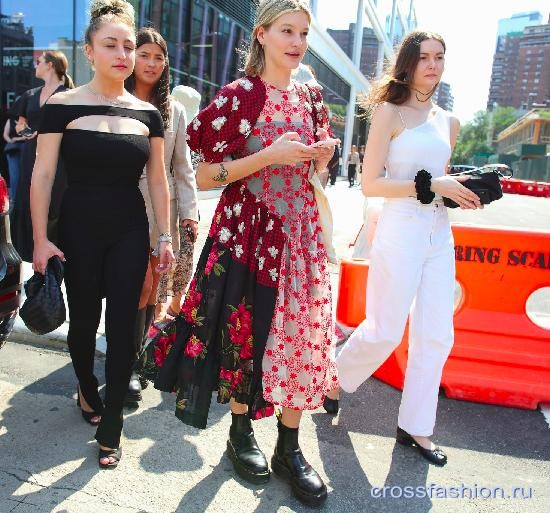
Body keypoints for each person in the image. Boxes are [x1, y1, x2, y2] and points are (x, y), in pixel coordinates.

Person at [154, 0, 339, 505]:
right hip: (248, 233)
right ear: (261, 34)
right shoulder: (242, 96)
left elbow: (315, 174)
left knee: (301, 338)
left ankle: (290, 447)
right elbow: (207, 173)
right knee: (245, 332)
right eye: (287, 30)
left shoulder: (313, 97)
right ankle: (240, 433)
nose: (297, 41)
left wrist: (318, 159)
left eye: (303, 32)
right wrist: (268, 156)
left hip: (299, 237)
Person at [324, 31, 481, 466]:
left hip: (438, 234)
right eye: (424, 57)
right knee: (385, 329)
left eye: (439, 57)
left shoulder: (449, 121)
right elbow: (372, 183)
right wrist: (433, 186)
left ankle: (417, 426)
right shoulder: (390, 112)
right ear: (409, 63)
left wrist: (464, 192)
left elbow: (439, 185)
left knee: (436, 334)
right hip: (399, 230)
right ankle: (333, 378)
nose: (432, 65)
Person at [30, 0, 174, 469]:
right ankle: (88, 393)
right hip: (78, 230)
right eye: (110, 44)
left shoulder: (147, 113)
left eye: (129, 46)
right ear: (89, 51)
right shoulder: (61, 106)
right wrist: (38, 239)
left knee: (122, 328)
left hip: (130, 228)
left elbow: (157, 180)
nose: (122, 54)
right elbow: (43, 175)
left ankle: (112, 422)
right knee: (85, 323)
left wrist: (165, 238)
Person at [123, 27, 198, 404]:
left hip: (161, 210)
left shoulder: (175, 109)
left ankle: (133, 362)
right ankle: (124, 358)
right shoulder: (115, 99)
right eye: (144, 54)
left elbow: (183, 168)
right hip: (120, 205)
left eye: (158, 56)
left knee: (152, 288)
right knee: (127, 285)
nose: (151, 63)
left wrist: (190, 213)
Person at [9, 50, 74, 261]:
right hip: (31, 154)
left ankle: (58, 250)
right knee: (28, 197)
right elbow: (19, 125)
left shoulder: (68, 95)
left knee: (56, 199)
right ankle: (29, 250)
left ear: (50, 65)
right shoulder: (30, 95)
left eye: (39, 62)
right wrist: (30, 133)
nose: (35, 65)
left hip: (59, 155)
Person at [3, 119, 25, 208]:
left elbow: (29, 134)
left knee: (25, 173)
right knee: (14, 174)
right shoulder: (10, 121)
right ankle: (15, 198)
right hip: (12, 148)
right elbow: (5, 134)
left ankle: (24, 197)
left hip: (25, 147)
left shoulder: (25, 120)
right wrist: (10, 140)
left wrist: (17, 138)